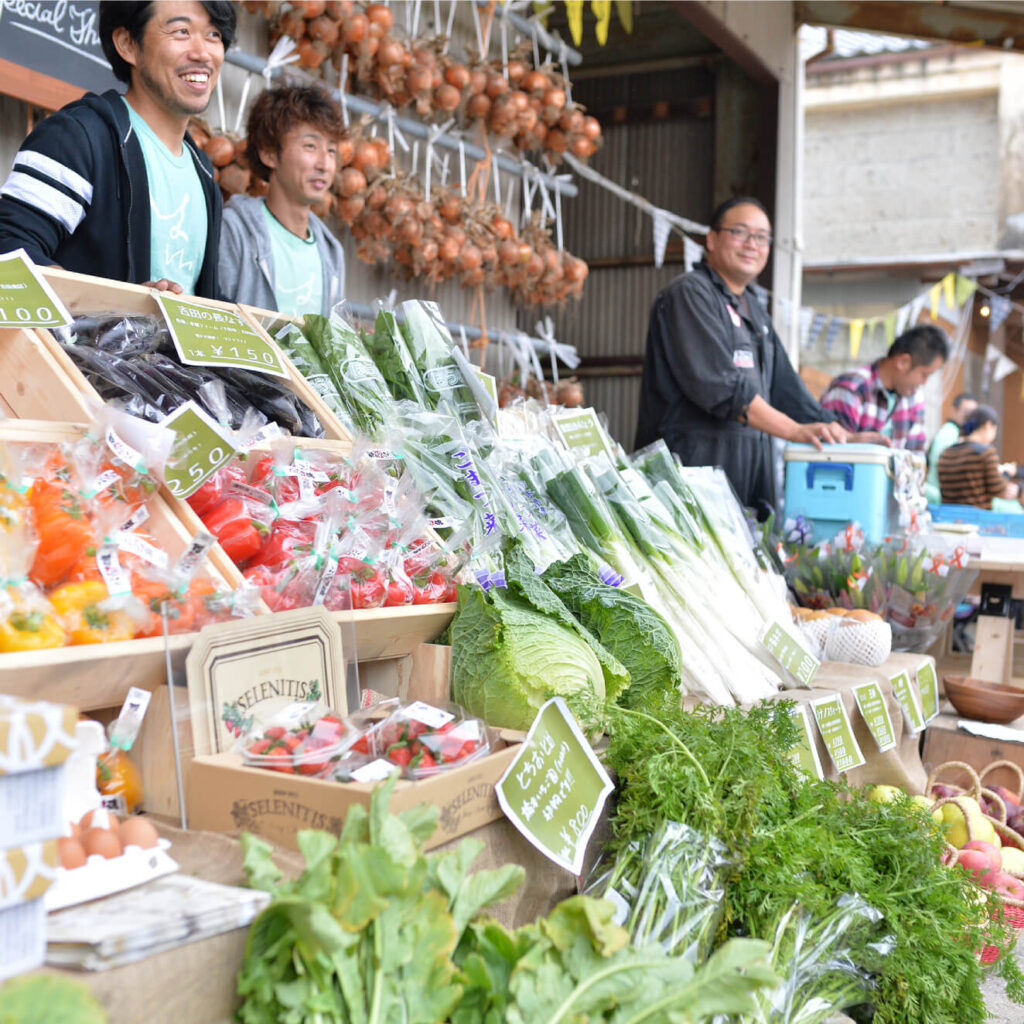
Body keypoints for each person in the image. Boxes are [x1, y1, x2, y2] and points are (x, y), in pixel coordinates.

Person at [0, 1, 236, 298]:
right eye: (181, 31)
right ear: (127, 44)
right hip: (70, 347)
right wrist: (115, 308)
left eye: (214, 35)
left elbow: (203, 299)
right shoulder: (80, 138)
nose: (203, 53)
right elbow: (9, 250)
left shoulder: (202, 171)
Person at [634, 196, 850, 514]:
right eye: (740, 232)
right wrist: (793, 431)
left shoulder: (753, 307)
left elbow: (785, 388)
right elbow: (721, 387)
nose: (752, 244)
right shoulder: (689, 294)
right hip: (689, 474)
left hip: (747, 474)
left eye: (761, 237)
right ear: (711, 239)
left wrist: (842, 433)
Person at [218, 83, 345, 316]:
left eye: (331, 151)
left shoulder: (331, 251)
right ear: (268, 154)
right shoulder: (234, 230)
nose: (324, 164)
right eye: (311, 146)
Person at [820, 324, 949, 451]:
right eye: (925, 374)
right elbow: (833, 453)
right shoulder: (851, 388)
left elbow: (916, 456)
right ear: (903, 362)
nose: (924, 382)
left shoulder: (914, 399)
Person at [937, 405, 1021, 512]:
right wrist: (1007, 473)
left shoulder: (945, 453)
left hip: (948, 518)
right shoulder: (986, 453)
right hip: (976, 520)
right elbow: (998, 489)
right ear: (988, 425)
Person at [925, 392, 977, 505]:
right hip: (938, 498)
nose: (970, 418)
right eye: (967, 412)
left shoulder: (958, 434)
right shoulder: (948, 433)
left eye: (974, 414)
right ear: (953, 410)